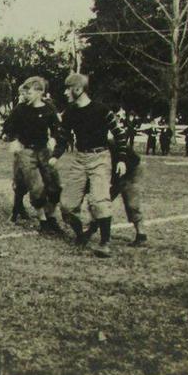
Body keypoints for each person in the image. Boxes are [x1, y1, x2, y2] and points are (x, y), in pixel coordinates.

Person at [52, 72, 129, 258]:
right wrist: (55, 156)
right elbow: (63, 137)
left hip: (100, 158)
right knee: (67, 205)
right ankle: (82, 234)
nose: (65, 93)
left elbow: (120, 135)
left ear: (78, 89)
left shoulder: (101, 110)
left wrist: (121, 159)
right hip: (80, 159)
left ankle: (105, 243)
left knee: (99, 201)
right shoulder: (70, 112)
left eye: (68, 89)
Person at [0, 76, 64, 234]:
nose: (26, 95)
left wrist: (54, 138)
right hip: (26, 151)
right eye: (25, 92)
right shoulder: (20, 109)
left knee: (54, 185)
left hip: (44, 151)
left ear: (40, 92)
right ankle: (43, 221)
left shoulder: (48, 108)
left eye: (29, 92)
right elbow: (7, 127)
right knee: (36, 187)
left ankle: (51, 217)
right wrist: (14, 139)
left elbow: (57, 128)